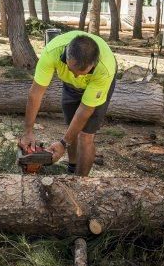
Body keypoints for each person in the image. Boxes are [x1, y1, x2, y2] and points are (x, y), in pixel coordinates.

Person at [19, 30, 117, 176]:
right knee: (72, 125)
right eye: (72, 70)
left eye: (82, 72)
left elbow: (85, 111)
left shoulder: (104, 69)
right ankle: (72, 168)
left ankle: (80, 183)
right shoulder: (52, 52)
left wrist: (63, 144)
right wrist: (28, 131)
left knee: (85, 136)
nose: (76, 76)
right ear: (66, 57)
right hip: (69, 86)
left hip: (97, 84)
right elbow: (35, 94)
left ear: (94, 64)